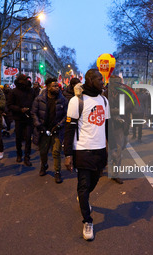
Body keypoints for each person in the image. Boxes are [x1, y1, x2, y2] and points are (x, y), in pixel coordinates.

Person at [64, 69, 109, 241]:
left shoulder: (104, 101)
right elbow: (69, 129)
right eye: (99, 79)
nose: (102, 82)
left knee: (94, 181)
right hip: (82, 149)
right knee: (83, 186)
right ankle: (87, 221)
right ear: (89, 80)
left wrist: (109, 148)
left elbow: (107, 125)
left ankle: (84, 197)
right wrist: (68, 154)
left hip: (99, 151)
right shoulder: (77, 101)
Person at [32, 78, 67, 183]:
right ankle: (44, 165)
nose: (57, 88)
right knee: (43, 151)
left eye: (57, 86)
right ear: (47, 87)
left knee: (56, 151)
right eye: (54, 86)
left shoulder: (63, 100)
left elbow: (67, 115)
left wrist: (60, 125)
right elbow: (34, 113)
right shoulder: (39, 99)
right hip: (43, 130)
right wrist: (39, 125)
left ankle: (57, 172)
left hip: (56, 130)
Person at [7, 74, 35, 166]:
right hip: (19, 118)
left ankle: (27, 157)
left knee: (28, 138)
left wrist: (31, 110)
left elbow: (35, 103)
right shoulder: (13, 92)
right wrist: (20, 109)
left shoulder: (32, 91)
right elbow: (10, 105)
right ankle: (19, 154)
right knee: (18, 138)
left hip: (29, 118)